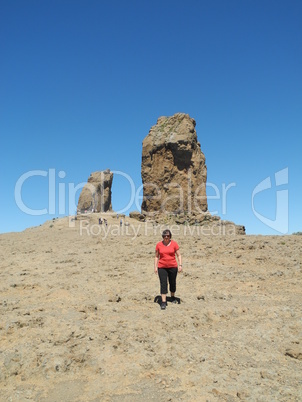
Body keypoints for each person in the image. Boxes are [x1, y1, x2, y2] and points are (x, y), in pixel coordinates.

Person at [154, 229, 182, 310]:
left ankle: (172, 297)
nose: (166, 237)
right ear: (162, 236)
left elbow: (179, 255)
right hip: (162, 267)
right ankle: (163, 302)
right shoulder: (158, 245)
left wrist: (180, 265)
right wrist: (155, 267)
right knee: (163, 283)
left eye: (168, 236)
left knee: (172, 282)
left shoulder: (174, 244)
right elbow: (156, 256)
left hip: (173, 266)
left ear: (170, 236)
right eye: (165, 236)